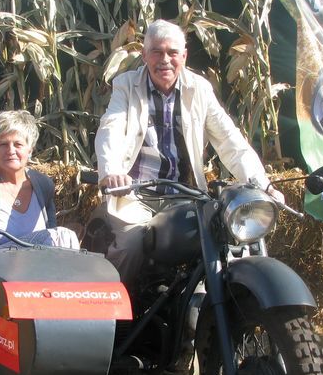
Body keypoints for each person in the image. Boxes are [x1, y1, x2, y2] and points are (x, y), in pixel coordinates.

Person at [93, 19, 283, 288]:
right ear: (144, 55)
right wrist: (112, 170)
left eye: (172, 53)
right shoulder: (126, 85)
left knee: (221, 238)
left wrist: (262, 183)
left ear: (184, 56)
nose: (165, 60)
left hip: (185, 197)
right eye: (157, 52)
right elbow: (110, 126)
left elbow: (230, 139)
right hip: (136, 195)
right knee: (129, 245)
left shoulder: (199, 89)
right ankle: (112, 320)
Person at [0, 110, 79, 263]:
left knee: (62, 237)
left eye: (18, 144)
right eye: (3, 144)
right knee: (61, 237)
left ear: (30, 149)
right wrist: (16, 261)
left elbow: (52, 244)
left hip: (36, 270)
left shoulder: (44, 185)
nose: (11, 151)